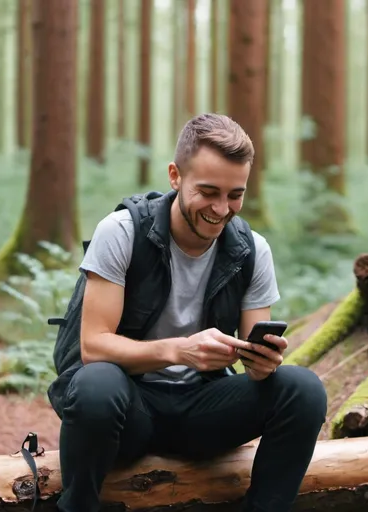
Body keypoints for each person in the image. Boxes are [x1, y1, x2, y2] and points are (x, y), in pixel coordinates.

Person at [47, 113, 327, 512]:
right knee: (96, 384)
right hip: (128, 409)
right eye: (208, 191)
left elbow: (254, 360)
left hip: (202, 410)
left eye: (235, 194)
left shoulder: (252, 249)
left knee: (303, 389)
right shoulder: (123, 231)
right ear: (175, 176)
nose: (221, 209)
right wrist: (180, 350)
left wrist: (263, 363)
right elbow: (93, 347)